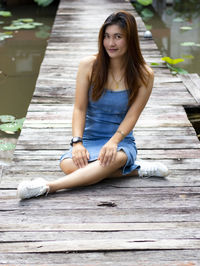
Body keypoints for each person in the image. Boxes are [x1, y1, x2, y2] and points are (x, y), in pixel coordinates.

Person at [17, 10, 169, 200]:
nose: (110, 43)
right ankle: (136, 170)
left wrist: (113, 142)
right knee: (68, 165)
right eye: (106, 36)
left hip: (120, 140)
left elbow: (133, 115)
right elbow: (79, 108)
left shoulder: (144, 74)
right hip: (90, 138)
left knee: (110, 159)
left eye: (118, 37)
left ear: (130, 39)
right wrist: (77, 142)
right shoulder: (89, 65)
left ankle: (48, 187)